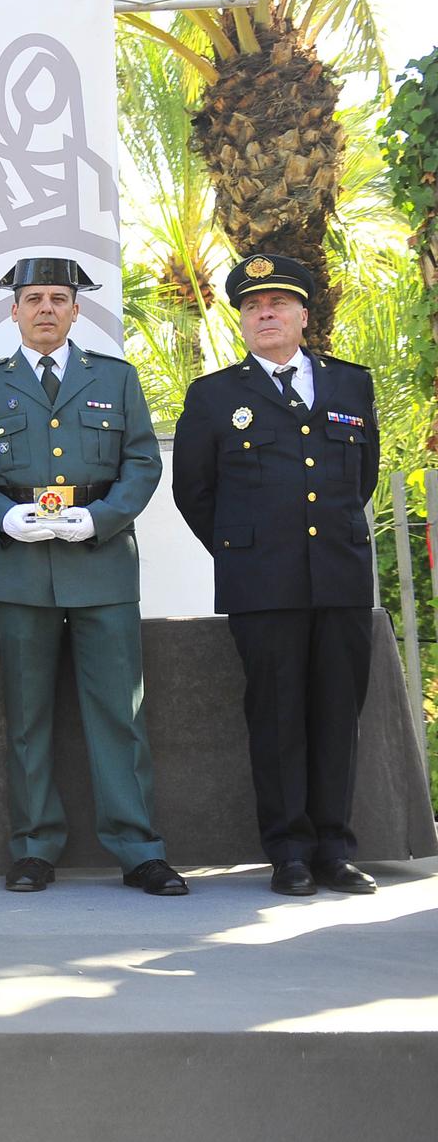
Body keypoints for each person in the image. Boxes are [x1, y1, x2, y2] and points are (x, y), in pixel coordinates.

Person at [0, 256, 187, 896]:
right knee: (28, 717)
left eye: (58, 297)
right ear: (12, 311)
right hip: (20, 566)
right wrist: (2, 517)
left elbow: (141, 462)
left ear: (77, 310)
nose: (45, 308)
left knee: (119, 714)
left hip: (100, 563)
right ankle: (33, 848)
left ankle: (139, 850)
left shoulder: (116, 377)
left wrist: (101, 518)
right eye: (33, 298)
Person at [173, 253, 380, 896]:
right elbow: (194, 492)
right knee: (278, 715)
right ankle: (289, 851)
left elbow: (363, 475)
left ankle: (334, 850)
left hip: (340, 578)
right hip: (263, 584)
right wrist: (248, 551)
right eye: (253, 306)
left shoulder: (351, 384)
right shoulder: (214, 396)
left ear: (303, 316)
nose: (266, 314)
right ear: (241, 320)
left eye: (279, 303)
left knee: (337, 713)